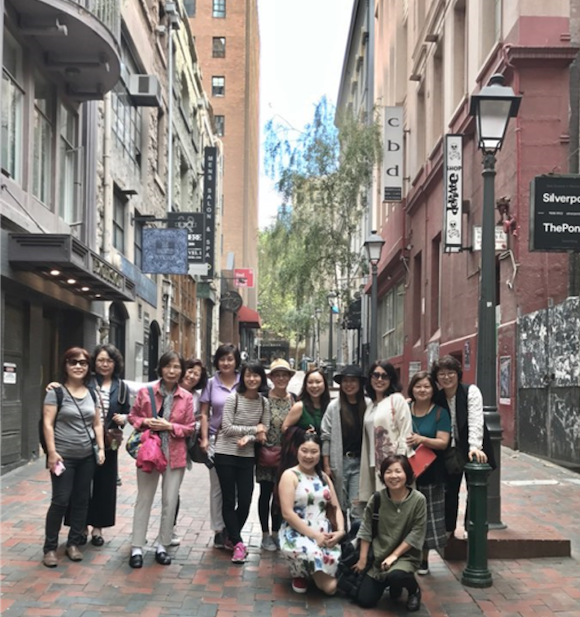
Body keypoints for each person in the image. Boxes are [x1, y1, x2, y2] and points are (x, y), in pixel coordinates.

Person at [128, 351, 194, 568]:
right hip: (149, 453)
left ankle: (162, 545)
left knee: (170, 500)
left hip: (175, 455)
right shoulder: (146, 392)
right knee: (144, 498)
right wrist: (146, 422)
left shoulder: (186, 397)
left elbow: (190, 428)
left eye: (176, 367)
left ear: (181, 371)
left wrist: (170, 426)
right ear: (161, 368)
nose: (171, 371)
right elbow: (133, 416)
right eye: (168, 366)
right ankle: (137, 547)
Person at [41, 347, 105, 567]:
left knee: (81, 500)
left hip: (86, 456)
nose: (78, 366)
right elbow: (48, 424)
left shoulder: (92, 393)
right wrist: (52, 452)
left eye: (83, 363)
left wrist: (101, 448)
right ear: (65, 366)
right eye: (73, 362)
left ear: (88, 367)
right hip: (63, 457)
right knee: (60, 501)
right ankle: (50, 548)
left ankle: (73, 543)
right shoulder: (56, 392)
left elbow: (97, 423)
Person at [431, 355, 495, 538]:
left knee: (475, 491)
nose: (446, 377)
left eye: (450, 372)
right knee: (449, 491)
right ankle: (448, 530)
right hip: (448, 452)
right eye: (441, 374)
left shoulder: (470, 392)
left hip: (472, 448)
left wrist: (475, 447)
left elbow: (475, 420)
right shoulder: (437, 397)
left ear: (458, 374)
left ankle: (471, 529)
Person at [214, 362, 271, 564]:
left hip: (247, 456)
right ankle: (238, 543)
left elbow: (265, 431)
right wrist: (254, 430)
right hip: (225, 454)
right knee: (229, 500)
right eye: (248, 375)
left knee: (246, 501)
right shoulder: (234, 398)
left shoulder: (263, 402)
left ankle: (231, 536)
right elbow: (227, 428)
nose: (252, 379)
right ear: (243, 378)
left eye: (256, 375)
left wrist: (251, 437)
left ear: (261, 378)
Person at [354, 455, 426, 612]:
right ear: (382, 475)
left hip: (405, 556)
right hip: (379, 557)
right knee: (364, 600)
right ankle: (392, 582)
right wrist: (363, 559)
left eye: (398, 471)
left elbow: (416, 532)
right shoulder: (377, 498)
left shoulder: (418, 500)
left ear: (407, 474)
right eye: (388, 472)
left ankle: (413, 590)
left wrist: (394, 555)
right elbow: (366, 528)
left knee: (397, 576)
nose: (393, 476)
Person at [278, 432, 345, 595]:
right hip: (298, 532)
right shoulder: (290, 475)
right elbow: (287, 513)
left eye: (314, 451)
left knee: (334, 569)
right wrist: (315, 536)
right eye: (304, 450)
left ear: (320, 453)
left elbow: (336, 507)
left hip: (325, 534)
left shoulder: (324, 477)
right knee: (330, 588)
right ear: (297, 450)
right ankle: (301, 571)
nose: (309, 456)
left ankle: (307, 571)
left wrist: (341, 531)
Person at [405, 371, 451, 575]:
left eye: (426, 386)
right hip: (405, 470)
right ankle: (406, 556)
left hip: (431, 470)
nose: (422, 390)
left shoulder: (440, 413)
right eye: (418, 386)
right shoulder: (405, 408)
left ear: (433, 390)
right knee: (406, 514)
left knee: (427, 515)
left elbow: (443, 442)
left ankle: (423, 559)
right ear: (412, 389)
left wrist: (421, 439)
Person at [199, 343, 241, 549]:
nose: (226, 363)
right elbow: (204, 413)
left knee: (235, 488)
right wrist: (205, 439)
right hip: (217, 440)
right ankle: (218, 529)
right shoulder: (211, 383)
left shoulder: (244, 381)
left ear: (236, 361)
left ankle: (232, 527)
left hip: (240, 441)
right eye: (222, 359)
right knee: (218, 487)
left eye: (230, 359)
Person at [359, 361, 413, 504]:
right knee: (378, 505)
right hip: (373, 464)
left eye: (385, 376)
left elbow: (405, 433)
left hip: (392, 465)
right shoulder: (371, 405)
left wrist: (399, 465)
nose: (379, 380)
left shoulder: (397, 400)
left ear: (391, 379)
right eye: (376, 375)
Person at [257, 358, 296, 552]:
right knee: (265, 494)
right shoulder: (262, 398)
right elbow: (255, 419)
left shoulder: (294, 399)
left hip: (287, 456)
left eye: (284, 375)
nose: (281, 378)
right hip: (266, 455)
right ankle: (265, 534)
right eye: (277, 375)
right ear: (271, 378)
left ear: (289, 377)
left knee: (282, 496)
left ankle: (276, 532)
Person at [321, 365, 368, 521]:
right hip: (339, 462)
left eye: (353, 380)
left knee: (357, 507)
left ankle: (355, 536)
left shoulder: (368, 405)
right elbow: (326, 436)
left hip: (360, 464)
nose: (349, 384)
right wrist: (327, 465)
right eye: (345, 381)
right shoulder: (334, 407)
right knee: (338, 505)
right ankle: (341, 535)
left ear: (360, 383)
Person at [170, 357, 208, 546]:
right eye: (190, 371)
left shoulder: (198, 397)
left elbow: (199, 420)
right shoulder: (168, 388)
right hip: (158, 445)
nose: (192, 376)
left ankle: (169, 527)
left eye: (196, 374)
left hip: (181, 446)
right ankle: (141, 529)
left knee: (173, 489)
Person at [282, 368, 330, 435]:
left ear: (325, 384)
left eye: (318, 382)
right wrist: (303, 433)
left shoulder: (330, 406)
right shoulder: (299, 406)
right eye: (310, 382)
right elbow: (284, 428)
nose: (314, 386)